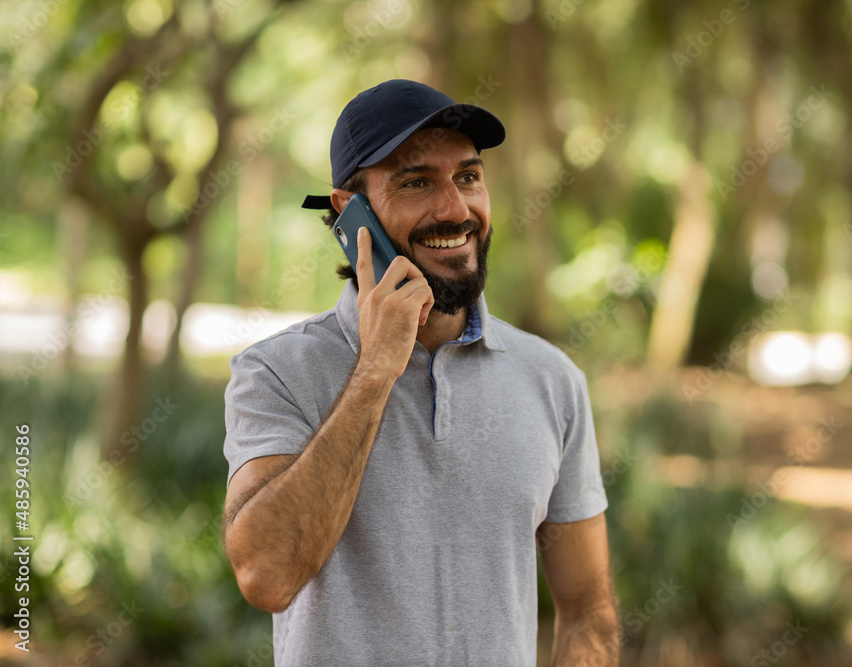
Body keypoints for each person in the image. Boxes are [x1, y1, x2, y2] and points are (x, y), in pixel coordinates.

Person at [222, 79, 619, 666]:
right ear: (347, 212)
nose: (456, 210)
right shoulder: (276, 373)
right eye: (416, 182)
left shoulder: (552, 380)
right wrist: (376, 369)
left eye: (468, 176)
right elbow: (267, 576)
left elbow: (588, 608)